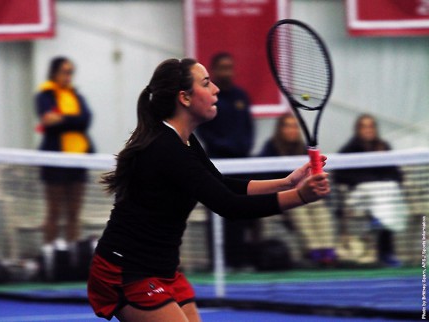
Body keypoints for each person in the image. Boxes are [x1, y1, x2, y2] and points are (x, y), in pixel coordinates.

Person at [87, 58, 330, 322]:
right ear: (185, 98)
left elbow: (221, 184)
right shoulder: (167, 149)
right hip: (125, 269)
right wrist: (301, 196)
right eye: (206, 83)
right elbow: (229, 206)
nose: (216, 89)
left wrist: (287, 182)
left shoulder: (185, 141)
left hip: (162, 269)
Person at [196, 52, 256, 270]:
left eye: (229, 67)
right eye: (222, 67)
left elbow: (249, 129)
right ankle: (218, 263)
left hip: (241, 164)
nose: (226, 72)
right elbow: (202, 129)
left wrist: (243, 148)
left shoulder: (241, 96)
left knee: (240, 211)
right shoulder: (207, 97)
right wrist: (224, 146)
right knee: (217, 213)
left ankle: (238, 261)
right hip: (216, 165)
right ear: (213, 71)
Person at [35, 56, 95, 256]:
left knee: (74, 214)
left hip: (79, 160)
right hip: (55, 161)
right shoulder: (45, 95)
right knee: (54, 212)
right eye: (65, 72)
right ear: (54, 73)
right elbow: (47, 120)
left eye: (71, 72)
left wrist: (62, 118)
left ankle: (73, 258)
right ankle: (50, 257)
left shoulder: (76, 96)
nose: (68, 76)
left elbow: (86, 119)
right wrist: (72, 120)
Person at [259, 113, 336, 266]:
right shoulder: (270, 148)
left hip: (309, 195)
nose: (291, 130)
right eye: (287, 126)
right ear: (280, 129)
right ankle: (313, 251)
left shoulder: (305, 149)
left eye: (294, 126)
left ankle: (327, 250)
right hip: (286, 198)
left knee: (320, 207)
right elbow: (264, 176)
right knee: (299, 208)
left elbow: (317, 175)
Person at [334, 114, 407, 267]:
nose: (368, 130)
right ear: (358, 129)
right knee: (384, 201)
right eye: (364, 126)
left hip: (382, 196)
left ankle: (385, 250)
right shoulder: (349, 149)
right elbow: (339, 175)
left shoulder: (383, 147)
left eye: (371, 126)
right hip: (359, 197)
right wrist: (365, 180)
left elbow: (396, 174)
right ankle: (385, 249)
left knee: (389, 194)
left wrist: (383, 161)